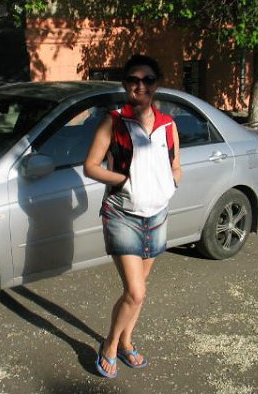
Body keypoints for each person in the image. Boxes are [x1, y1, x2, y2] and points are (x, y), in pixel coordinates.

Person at [83, 54, 182, 378]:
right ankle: (110, 345)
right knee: (136, 292)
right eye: (133, 80)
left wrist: (171, 181)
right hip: (123, 215)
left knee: (138, 293)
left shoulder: (168, 125)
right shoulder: (113, 122)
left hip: (156, 216)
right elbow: (91, 166)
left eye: (148, 80)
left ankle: (127, 342)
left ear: (157, 84)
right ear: (125, 84)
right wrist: (125, 180)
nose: (140, 86)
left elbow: (175, 165)